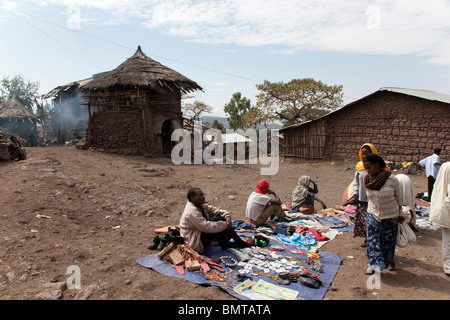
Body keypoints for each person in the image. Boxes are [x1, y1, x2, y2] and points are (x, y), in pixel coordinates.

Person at [363, 154, 403, 275]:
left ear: (377, 164)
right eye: (366, 168)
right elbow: (368, 197)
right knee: (373, 241)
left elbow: (398, 197)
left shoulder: (392, 179)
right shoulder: (366, 179)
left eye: (370, 167)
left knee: (388, 242)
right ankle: (373, 265)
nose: (368, 171)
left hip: (390, 215)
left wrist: (400, 213)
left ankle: (390, 260)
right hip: (373, 214)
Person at [179, 187, 250, 254]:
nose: (203, 196)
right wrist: (225, 225)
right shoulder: (191, 212)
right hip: (194, 242)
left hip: (199, 233)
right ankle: (233, 242)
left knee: (219, 218)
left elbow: (216, 210)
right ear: (192, 198)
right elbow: (206, 227)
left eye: (203, 194)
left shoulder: (200, 205)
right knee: (216, 221)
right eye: (200, 195)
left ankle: (233, 242)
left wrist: (227, 216)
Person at [353, 143, 378, 247]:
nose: (364, 156)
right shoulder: (359, 167)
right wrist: (355, 193)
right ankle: (366, 239)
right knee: (365, 221)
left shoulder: (378, 166)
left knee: (373, 221)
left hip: (374, 199)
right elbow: (356, 182)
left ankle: (373, 239)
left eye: (367, 154)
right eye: (362, 154)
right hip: (362, 199)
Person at [429, 162, 450, 276]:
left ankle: (448, 266)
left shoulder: (445, 167)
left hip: (446, 207)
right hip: (447, 209)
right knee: (448, 240)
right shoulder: (447, 167)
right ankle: (448, 266)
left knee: (447, 240)